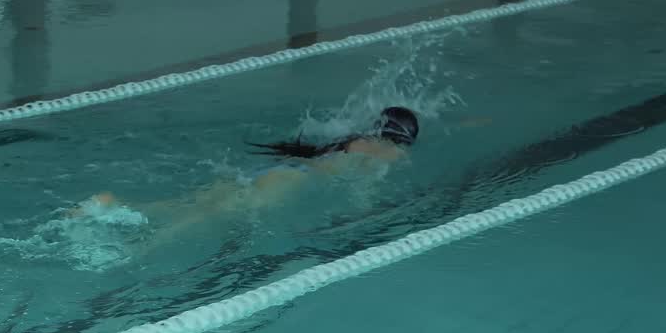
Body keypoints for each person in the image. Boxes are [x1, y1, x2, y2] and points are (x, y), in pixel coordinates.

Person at [77, 107, 420, 232]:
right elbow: (364, 191)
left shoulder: (351, 139)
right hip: (286, 181)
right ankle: (138, 253)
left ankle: (108, 205)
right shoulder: (390, 154)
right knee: (205, 217)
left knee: (188, 204)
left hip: (278, 170)